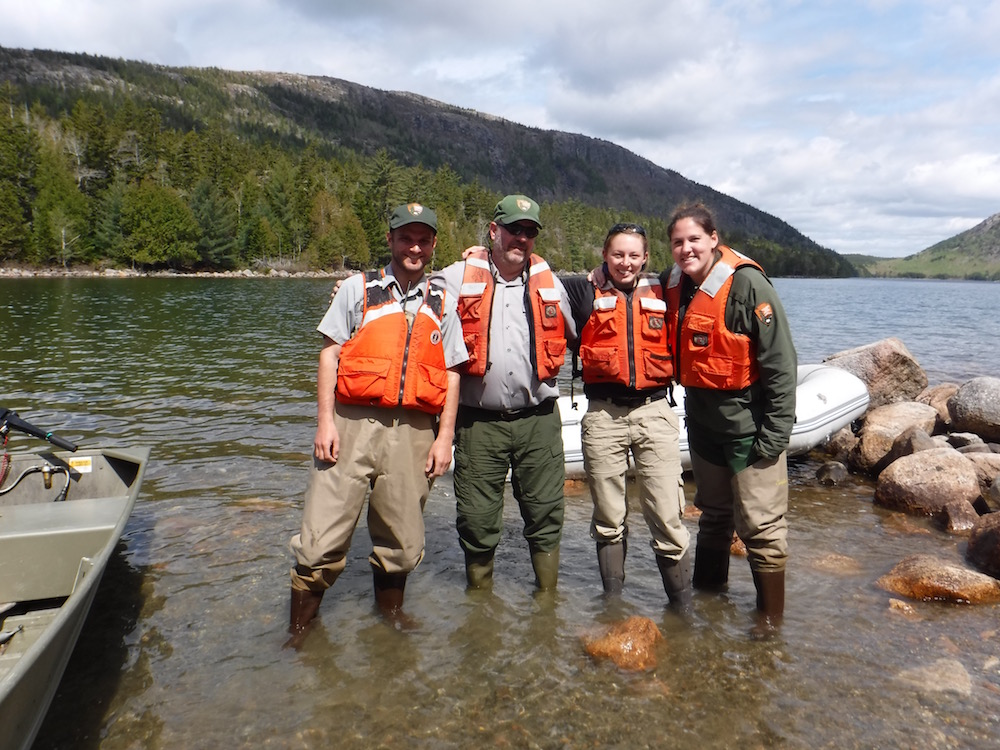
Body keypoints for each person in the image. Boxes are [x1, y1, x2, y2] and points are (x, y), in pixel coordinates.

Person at [287, 202, 466, 640]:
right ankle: (298, 631)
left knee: (402, 541)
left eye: (424, 240)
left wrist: (445, 439)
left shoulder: (442, 301)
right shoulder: (355, 289)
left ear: (434, 245)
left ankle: (390, 621)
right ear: (389, 240)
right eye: (406, 238)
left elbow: (452, 371)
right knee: (319, 540)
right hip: (351, 425)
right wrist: (324, 423)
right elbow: (329, 354)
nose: (415, 247)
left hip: (414, 434)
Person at [663, 203, 796, 638]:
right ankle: (708, 596)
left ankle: (770, 618)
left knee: (761, 527)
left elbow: (780, 364)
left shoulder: (747, 286)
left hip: (750, 430)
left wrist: (776, 433)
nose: (686, 249)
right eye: (678, 242)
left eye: (694, 240)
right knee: (714, 516)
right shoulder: (676, 286)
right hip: (704, 430)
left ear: (713, 239)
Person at [432, 194, 577, 591]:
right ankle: (480, 614)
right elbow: (405, 298)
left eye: (530, 232)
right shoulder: (456, 276)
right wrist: (352, 292)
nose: (522, 238)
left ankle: (547, 606)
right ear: (494, 231)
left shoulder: (553, 285)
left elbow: (590, 322)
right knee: (477, 521)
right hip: (478, 423)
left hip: (539, 422)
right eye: (515, 229)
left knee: (546, 517)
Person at [563, 223, 690, 607]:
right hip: (603, 416)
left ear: (646, 258)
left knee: (667, 515)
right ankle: (613, 604)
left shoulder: (666, 287)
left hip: (655, 413)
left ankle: (682, 608)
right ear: (604, 255)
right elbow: (533, 274)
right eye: (617, 254)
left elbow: (702, 259)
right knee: (608, 515)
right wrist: (482, 256)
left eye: (634, 255)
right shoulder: (584, 289)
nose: (626, 262)